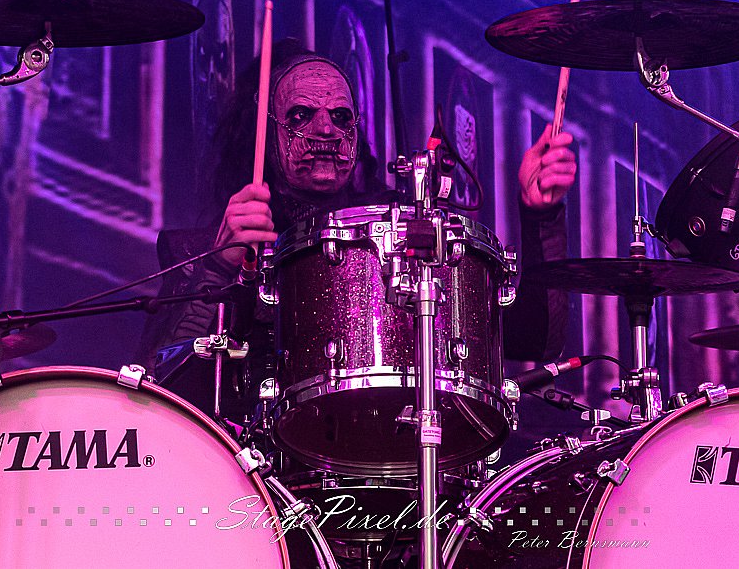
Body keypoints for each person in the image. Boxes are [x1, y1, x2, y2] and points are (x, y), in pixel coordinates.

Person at [137, 39, 576, 418]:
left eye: (341, 117)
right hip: (257, 476)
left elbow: (535, 338)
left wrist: (540, 215)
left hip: (402, 454)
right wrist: (217, 267)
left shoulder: (402, 231)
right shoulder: (200, 249)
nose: (325, 129)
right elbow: (158, 390)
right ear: (266, 134)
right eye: (300, 116)